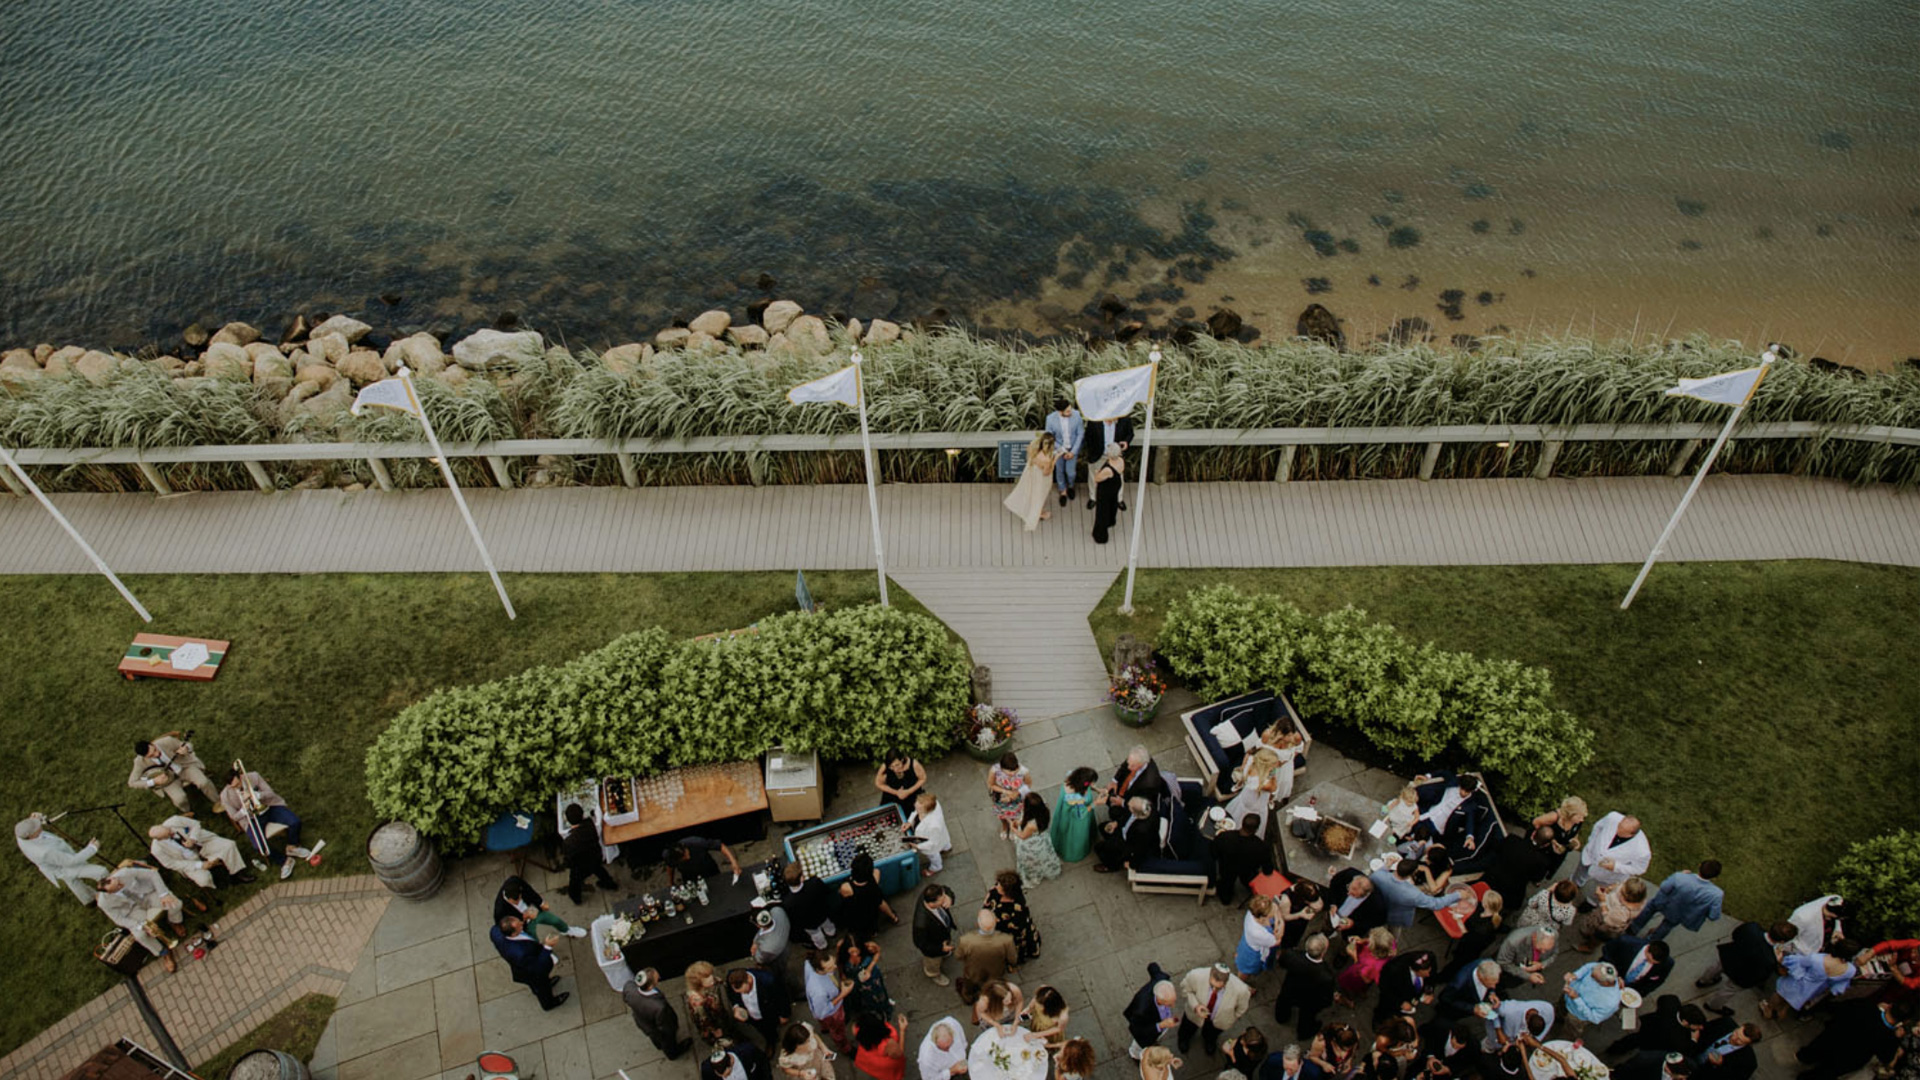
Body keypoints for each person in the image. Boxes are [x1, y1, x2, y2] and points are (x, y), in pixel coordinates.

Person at [220, 767, 318, 879]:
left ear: (241, 776)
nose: (237, 787)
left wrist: (256, 795)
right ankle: (285, 861)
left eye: (238, 783)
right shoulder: (225, 796)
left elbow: (270, 793)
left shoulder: (253, 777)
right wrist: (244, 810)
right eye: (233, 787)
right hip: (251, 819)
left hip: (269, 808)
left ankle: (291, 847)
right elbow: (234, 816)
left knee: (295, 822)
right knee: (259, 846)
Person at [95, 863, 187, 972]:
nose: (120, 885)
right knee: (140, 935)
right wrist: (139, 926)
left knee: (174, 904)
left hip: (148, 895)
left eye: (118, 882)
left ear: (111, 878)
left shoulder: (125, 872)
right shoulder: (103, 902)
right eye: (117, 887)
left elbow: (153, 874)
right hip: (133, 911)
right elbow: (118, 919)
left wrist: (163, 894)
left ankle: (174, 922)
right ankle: (164, 952)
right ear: (109, 892)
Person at [1793, 999, 1911, 1080]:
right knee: (1824, 1072)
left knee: (1816, 1050)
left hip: (1833, 1037)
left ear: (1889, 1005)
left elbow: (1839, 1007)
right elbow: (1886, 1057)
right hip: (1848, 1058)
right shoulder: (1889, 1038)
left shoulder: (1865, 1005)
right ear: (1904, 1021)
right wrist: (1897, 1038)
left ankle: (1804, 1057)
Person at [1693, 920, 1795, 1013]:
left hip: (1730, 956)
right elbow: (1761, 976)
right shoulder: (1770, 959)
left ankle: (1703, 981)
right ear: (1782, 942)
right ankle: (1713, 1006)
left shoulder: (1751, 928)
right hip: (1741, 974)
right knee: (1728, 990)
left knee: (1715, 967)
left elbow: (1735, 934)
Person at [15, 814, 106, 903]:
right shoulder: (44, 852)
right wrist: (92, 848)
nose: (39, 826)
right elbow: (71, 861)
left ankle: (88, 900)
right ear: (30, 836)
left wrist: (32, 820)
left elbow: (26, 827)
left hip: (55, 862)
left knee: (72, 881)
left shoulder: (21, 836)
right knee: (101, 872)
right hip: (63, 867)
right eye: (36, 827)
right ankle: (110, 895)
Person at [147, 816, 252, 889]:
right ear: (159, 839)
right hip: (189, 861)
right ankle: (218, 881)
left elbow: (196, 824)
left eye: (169, 830)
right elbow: (172, 864)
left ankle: (236, 873)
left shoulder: (174, 820)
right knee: (204, 880)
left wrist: (193, 839)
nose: (171, 832)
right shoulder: (157, 849)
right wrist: (200, 865)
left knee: (229, 845)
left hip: (201, 844)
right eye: (168, 834)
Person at [1630, 862, 1723, 942]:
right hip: (1680, 914)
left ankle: (1634, 928)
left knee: (1650, 908)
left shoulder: (1680, 877)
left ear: (1699, 866)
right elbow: (1713, 916)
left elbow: (1664, 887)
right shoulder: (1716, 894)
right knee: (1667, 925)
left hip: (1664, 903)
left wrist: (1681, 874)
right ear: (1715, 877)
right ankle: (1650, 941)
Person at [491, 914, 568, 1011]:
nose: (522, 923)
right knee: (542, 988)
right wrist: (548, 947)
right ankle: (549, 1003)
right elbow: (539, 966)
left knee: (537, 985)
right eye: (520, 926)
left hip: (521, 968)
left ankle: (539, 987)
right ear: (513, 934)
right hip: (532, 972)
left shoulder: (495, 931)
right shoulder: (520, 953)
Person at [129, 733, 219, 811]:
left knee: (204, 782)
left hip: (184, 768)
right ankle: (188, 812)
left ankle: (218, 801)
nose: (156, 754)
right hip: (168, 781)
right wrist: (154, 781)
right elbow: (132, 782)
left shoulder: (167, 741)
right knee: (180, 799)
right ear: (144, 757)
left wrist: (186, 749)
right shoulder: (139, 762)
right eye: (151, 756)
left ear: (152, 744)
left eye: (155, 750)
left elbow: (188, 744)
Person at [1178, 962, 1251, 1057]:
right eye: (1212, 986)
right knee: (1187, 1027)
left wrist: (1231, 1018)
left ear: (1226, 982)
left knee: (1212, 1034)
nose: (1214, 990)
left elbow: (1242, 1008)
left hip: (1219, 1020)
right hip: (1194, 1014)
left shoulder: (1241, 990)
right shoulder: (1195, 975)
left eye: (1219, 988)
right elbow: (1185, 990)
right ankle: (1184, 1039)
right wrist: (1196, 1006)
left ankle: (1209, 1041)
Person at [1369, 858, 1467, 929]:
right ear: (1410, 874)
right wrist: (1457, 895)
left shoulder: (1378, 875)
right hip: (1396, 916)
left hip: (1377, 907)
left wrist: (1386, 866)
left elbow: (1377, 877)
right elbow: (1435, 904)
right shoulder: (1413, 894)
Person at [1272, 934, 1336, 1039]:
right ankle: (1303, 1033)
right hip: (1309, 1000)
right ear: (1323, 952)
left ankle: (1281, 1017)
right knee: (1307, 1017)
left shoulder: (1292, 955)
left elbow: (1282, 961)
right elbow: (1326, 998)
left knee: (1284, 1003)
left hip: (1290, 989)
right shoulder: (1327, 976)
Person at [625, 967, 694, 1060]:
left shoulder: (629, 987)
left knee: (654, 1037)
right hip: (658, 1028)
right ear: (650, 987)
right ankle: (672, 1053)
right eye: (657, 979)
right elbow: (666, 1027)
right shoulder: (659, 1007)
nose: (659, 978)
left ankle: (658, 1045)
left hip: (643, 1022)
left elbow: (626, 999)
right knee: (667, 1041)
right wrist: (673, 1028)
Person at [1762, 949, 1855, 1019]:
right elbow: (1840, 983)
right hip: (1813, 990)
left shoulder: (1816, 959)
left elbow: (1800, 962)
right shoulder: (1850, 970)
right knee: (1791, 1002)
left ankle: (1768, 1009)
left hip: (1797, 983)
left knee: (1779, 995)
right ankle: (1781, 1013)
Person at [494, 875, 587, 943]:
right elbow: (504, 928)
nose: (518, 902)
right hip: (524, 924)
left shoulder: (514, 881)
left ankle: (566, 930)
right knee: (534, 940)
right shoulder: (500, 910)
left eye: (519, 898)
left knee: (554, 920)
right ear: (507, 898)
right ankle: (545, 952)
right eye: (515, 902)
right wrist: (523, 919)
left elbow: (529, 890)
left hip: (532, 910)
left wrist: (541, 903)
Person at [1438, 890, 1504, 984]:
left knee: (1456, 965)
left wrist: (1458, 921)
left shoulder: (1482, 929)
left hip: (1470, 947)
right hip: (1474, 942)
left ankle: (1442, 978)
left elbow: (1467, 936)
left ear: (1486, 905)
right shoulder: (1492, 912)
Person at [1226, 747, 1293, 839]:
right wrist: (1272, 775)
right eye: (1273, 764)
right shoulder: (1266, 784)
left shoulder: (1251, 766)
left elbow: (1249, 754)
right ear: (1266, 766)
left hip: (1244, 800)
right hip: (1256, 807)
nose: (1276, 765)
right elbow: (1274, 789)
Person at [1212, 813, 1277, 906]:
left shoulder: (1225, 837)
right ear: (1256, 829)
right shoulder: (1261, 847)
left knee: (1226, 883)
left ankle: (1225, 899)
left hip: (1226, 867)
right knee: (1247, 878)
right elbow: (1267, 869)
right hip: (1247, 871)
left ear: (1242, 823)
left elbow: (1214, 852)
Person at [1573, 813, 1650, 892]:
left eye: (1622, 831)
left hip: (1608, 875)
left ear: (1631, 835)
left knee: (1599, 890)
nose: (1617, 830)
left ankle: (1590, 901)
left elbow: (1639, 869)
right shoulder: (1612, 817)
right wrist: (1591, 843)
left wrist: (1615, 867)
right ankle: (1576, 884)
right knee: (1580, 873)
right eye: (1619, 826)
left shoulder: (1642, 851)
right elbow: (1598, 827)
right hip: (1590, 856)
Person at [560, 803, 618, 904]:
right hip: (595, 857)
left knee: (574, 883)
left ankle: (576, 898)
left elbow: (569, 859)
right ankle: (610, 884)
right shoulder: (589, 823)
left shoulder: (569, 842)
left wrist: (568, 864)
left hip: (580, 866)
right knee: (600, 871)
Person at [1574, 877, 1649, 951]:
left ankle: (1589, 947)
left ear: (1627, 898)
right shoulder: (1632, 891)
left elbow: (1607, 918)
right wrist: (1609, 888)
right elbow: (1619, 885)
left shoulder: (1623, 913)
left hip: (1608, 926)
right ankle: (1589, 933)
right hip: (1605, 912)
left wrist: (1602, 900)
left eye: (1621, 892)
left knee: (1598, 937)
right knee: (1592, 926)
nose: (1619, 891)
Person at [1004, 431, 1060, 530]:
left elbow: (1029, 449)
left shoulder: (1034, 450)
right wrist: (1055, 460)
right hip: (1041, 480)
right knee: (1039, 496)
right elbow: (1046, 472)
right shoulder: (1047, 459)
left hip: (1032, 475)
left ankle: (1033, 509)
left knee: (1032, 492)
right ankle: (1039, 513)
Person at [729, 965, 793, 1051]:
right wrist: (736, 1007)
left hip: (767, 1012)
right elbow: (732, 994)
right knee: (761, 1029)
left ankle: (773, 1040)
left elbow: (782, 997)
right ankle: (769, 1039)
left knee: (770, 1027)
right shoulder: (732, 977)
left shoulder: (769, 981)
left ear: (749, 980)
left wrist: (784, 1015)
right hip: (751, 1015)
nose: (744, 994)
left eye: (745, 991)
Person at [838, 852, 900, 942]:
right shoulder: (875, 876)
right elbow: (881, 903)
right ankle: (873, 933)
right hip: (871, 911)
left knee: (858, 926)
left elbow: (842, 894)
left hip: (856, 913)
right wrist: (893, 916)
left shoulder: (847, 888)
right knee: (871, 924)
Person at [803, 949, 855, 1053]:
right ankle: (845, 1048)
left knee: (827, 1024)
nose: (835, 967)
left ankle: (825, 1027)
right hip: (832, 1013)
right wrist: (843, 994)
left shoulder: (809, 963)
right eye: (829, 967)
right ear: (819, 969)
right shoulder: (819, 991)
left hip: (821, 1007)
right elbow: (823, 1011)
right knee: (838, 1031)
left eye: (834, 963)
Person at [1124, 964, 1180, 1059]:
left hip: (1158, 1024)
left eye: (1174, 1001)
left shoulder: (1162, 979)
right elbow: (1138, 1031)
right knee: (1139, 1045)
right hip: (1145, 1029)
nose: (1173, 1006)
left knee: (1154, 1037)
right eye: (1169, 1004)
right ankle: (1135, 1055)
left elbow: (1153, 967)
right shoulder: (1141, 1010)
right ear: (1159, 999)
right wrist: (1161, 1025)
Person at [987, 869, 1043, 963]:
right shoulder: (996, 891)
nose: (996, 887)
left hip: (1011, 933)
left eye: (999, 886)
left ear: (1007, 892)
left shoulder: (1017, 908)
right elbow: (989, 899)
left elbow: (1016, 927)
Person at [954, 908, 1018, 989]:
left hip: (974, 973)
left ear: (978, 923)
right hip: (996, 972)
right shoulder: (1006, 940)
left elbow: (958, 956)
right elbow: (1012, 959)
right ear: (996, 921)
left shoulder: (966, 940)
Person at [1095, 795, 1161, 873]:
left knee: (1098, 848)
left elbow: (1140, 850)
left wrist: (1132, 864)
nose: (1127, 805)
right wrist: (1117, 823)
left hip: (1128, 843)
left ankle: (1111, 866)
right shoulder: (1146, 807)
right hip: (1125, 830)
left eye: (1129, 806)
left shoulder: (1142, 830)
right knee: (1102, 827)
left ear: (1136, 813)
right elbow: (1127, 816)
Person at [1336, 927, 1398, 1008]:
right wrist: (1361, 940)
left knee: (1349, 987)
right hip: (1369, 973)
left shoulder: (1370, 963)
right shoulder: (1390, 945)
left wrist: (1354, 956)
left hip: (1356, 976)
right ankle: (1362, 992)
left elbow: (1366, 979)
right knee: (1362, 988)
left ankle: (1348, 1000)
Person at [1082, 410, 1136, 502]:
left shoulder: (1124, 419)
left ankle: (1119, 499)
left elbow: (1130, 434)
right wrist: (1092, 451)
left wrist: (1126, 442)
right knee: (1093, 475)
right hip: (1099, 454)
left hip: (1115, 455)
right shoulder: (1094, 421)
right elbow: (1088, 437)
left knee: (1119, 476)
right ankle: (1093, 497)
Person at [1105, 747, 1171, 822]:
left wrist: (1122, 802)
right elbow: (1124, 767)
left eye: (1132, 766)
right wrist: (1115, 781)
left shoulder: (1149, 784)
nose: (1128, 767)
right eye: (1128, 763)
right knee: (1109, 795)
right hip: (1126, 787)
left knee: (1114, 812)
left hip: (1134, 798)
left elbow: (1141, 803)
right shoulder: (1135, 758)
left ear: (1141, 764)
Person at [785, 863, 840, 950]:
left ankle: (823, 946)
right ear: (801, 878)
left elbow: (794, 916)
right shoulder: (814, 883)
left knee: (816, 935)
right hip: (822, 914)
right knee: (828, 925)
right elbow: (826, 892)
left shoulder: (788, 901)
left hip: (809, 923)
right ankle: (831, 933)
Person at [1051, 766, 1100, 863]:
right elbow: (1080, 814)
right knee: (1074, 836)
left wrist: (1098, 790)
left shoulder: (1071, 777)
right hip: (1074, 821)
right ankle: (1073, 853)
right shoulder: (1075, 798)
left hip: (1065, 812)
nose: (1092, 784)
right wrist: (1096, 802)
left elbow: (1088, 785)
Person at [1014, 792, 1063, 886]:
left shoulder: (1031, 825)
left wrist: (1013, 828)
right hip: (1042, 838)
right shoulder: (1045, 811)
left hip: (1031, 843)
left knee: (1032, 861)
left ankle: (1033, 876)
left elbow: (1023, 836)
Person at [913, 884, 958, 985]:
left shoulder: (930, 892)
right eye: (942, 900)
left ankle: (944, 953)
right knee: (933, 962)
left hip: (942, 933)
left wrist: (949, 897)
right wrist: (940, 949)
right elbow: (921, 944)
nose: (944, 901)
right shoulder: (921, 924)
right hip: (934, 947)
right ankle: (933, 973)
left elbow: (946, 889)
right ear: (932, 903)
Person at [1375, 950, 1438, 1023]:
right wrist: (1400, 1003)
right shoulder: (1393, 970)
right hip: (1397, 997)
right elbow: (1384, 988)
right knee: (1385, 1011)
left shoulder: (1429, 959)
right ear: (1417, 970)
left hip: (1412, 995)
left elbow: (1432, 977)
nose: (1428, 975)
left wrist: (1430, 991)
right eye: (1426, 972)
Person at [688, 961, 741, 1048]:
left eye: (711, 974)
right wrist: (714, 1030)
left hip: (719, 1012)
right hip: (711, 1022)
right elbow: (702, 1019)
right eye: (707, 977)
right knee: (721, 1040)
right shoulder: (697, 1000)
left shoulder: (713, 982)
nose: (712, 978)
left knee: (726, 1024)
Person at [1560, 962, 1623, 1033]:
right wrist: (1575, 975)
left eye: (1593, 977)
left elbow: (1594, 1018)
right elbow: (1588, 967)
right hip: (1566, 997)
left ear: (1605, 983)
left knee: (1569, 1031)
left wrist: (1576, 998)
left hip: (1576, 1015)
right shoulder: (1600, 968)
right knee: (1559, 1011)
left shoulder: (1610, 1002)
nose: (1590, 975)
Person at [1691, 1018, 1761, 1080]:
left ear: (1749, 1044)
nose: (1733, 1038)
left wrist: (1718, 1065)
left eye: (1740, 1040)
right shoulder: (1726, 1023)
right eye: (1736, 1033)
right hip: (1692, 1052)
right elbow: (1704, 1028)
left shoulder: (1748, 1063)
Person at [841, 936, 895, 1017]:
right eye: (851, 952)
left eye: (856, 951)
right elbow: (841, 966)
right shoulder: (844, 956)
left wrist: (869, 969)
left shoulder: (868, 947)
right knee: (866, 997)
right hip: (857, 982)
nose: (855, 954)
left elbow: (878, 951)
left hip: (872, 978)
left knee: (879, 994)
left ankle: (885, 1009)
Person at [1046, 398, 1085, 504]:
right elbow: (1050, 437)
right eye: (1067, 411)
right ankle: (1062, 490)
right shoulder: (1050, 419)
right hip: (1058, 449)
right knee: (1059, 471)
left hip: (1073, 448)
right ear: (1060, 412)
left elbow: (1080, 434)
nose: (1070, 412)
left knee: (1071, 472)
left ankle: (1071, 486)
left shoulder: (1076, 415)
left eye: (1070, 409)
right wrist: (1062, 450)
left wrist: (1073, 452)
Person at [1328, 868, 1389, 936]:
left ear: (1365, 895)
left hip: (1352, 928)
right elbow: (1334, 883)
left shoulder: (1378, 904)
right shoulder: (1349, 874)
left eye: (1353, 895)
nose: (1348, 893)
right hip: (1334, 912)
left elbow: (1376, 922)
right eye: (1349, 887)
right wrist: (1333, 903)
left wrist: (1353, 923)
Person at [1603, 937, 1673, 995]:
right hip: (1608, 977)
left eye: (1654, 963)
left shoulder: (1667, 963)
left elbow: (1657, 982)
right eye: (1649, 959)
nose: (1651, 964)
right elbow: (1607, 953)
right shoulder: (1626, 942)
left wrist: (1638, 993)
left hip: (1628, 991)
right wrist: (1614, 976)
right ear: (1647, 948)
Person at [1438, 960, 1503, 1020]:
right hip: (1457, 1010)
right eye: (1490, 984)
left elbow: (1492, 986)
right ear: (1480, 977)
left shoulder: (1489, 963)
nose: (1493, 986)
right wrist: (1472, 1009)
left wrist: (1492, 992)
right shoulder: (1458, 984)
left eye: (1495, 983)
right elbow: (1445, 998)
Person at [905, 791, 952, 874]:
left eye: (919, 808)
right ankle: (947, 847)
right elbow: (915, 812)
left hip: (930, 844)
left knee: (933, 855)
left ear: (926, 810)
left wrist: (918, 846)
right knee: (944, 840)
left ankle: (936, 867)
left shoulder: (933, 825)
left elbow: (933, 843)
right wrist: (909, 822)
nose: (915, 806)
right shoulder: (933, 804)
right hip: (940, 834)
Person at [668, 835, 743, 886]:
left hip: (708, 869)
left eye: (686, 854)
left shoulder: (697, 842)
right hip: (690, 877)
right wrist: (671, 882)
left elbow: (720, 846)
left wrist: (733, 862)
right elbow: (670, 867)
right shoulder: (668, 855)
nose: (687, 857)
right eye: (684, 858)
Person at [853, 1011, 909, 1080]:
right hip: (887, 1066)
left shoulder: (857, 1029)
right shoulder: (888, 1043)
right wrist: (902, 1030)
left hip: (872, 1061)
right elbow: (900, 1053)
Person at [987, 753, 1031, 840]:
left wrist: (1016, 793)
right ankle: (1004, 826)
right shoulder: (995, 770)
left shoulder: (1024, 771)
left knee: (1015, 814)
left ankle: (1012, 828)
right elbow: (991, 784)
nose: (1012, 773)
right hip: (1001, 797)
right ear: (1002, 768)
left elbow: (1028, 784)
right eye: (1009, 771)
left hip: (1016, 797)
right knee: (1002, 814)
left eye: (1014, 771)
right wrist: (1006, 792)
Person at [1237, 895, 1282, 976]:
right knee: (1245, 970)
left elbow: (1275, 907)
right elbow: (1277, 941)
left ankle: (1239, 957)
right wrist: (1280, 921)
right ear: (1263, 917)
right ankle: (1240, 983)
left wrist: (1276, 915)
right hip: (1252, 953)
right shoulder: (1259, 933)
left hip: (1247, 941)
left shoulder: (1253, 912)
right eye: (1271, 911)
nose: (1274, 911)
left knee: (1242, 960)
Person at [1091, 444, 1126, 544]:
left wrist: (1097, 472)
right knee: (1113, 502)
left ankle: (1101, 535)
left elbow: (1097, 478)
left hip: (1106, 489)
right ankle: (1111, 520)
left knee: (1102, 510)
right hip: (1115, 485)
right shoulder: (1121, 461)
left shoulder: (1108, 469)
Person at [875, 751, 928, 817]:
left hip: (911, 796)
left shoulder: (913, 764)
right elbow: (878, 783)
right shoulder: (885, 766)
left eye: (897, 765)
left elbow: (923, 778)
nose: (895, 769)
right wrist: (896, 792)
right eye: (891, 767)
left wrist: (908, 792)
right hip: (892, 797)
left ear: (902, 760)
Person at [1275, 880, 1325, 948]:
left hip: (1302, 920)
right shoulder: (1286, 899)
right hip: (1291, 924)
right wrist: (1300, 914)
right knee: (1289, 940)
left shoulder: (1313, 888)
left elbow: (1318, 902)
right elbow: (1284, 917)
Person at [1024, 983, 1071, 1049]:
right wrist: (1026, 1011)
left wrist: (1037, 1035)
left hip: (1048, 1032)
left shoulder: (1063, 1016)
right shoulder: (1042, 990)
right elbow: (1031, 1006)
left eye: (1041, 1005)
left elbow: (1059, 1029)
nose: (1037, 1004)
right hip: (1037, 1023)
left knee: (1046, 1045)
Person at [753, 906, 793, 978]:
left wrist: (755, 953)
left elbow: (760, 959)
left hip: (778, 955)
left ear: (758, 925)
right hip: (787, 942)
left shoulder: (767, 948)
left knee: (778, 969)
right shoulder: (778, 911)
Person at [704, 1041, 774, 1080]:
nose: (724, 1077)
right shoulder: (707, 1069)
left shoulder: (748, 1051)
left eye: (727, 1074)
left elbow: (764, 1064)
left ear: (731, 1062)